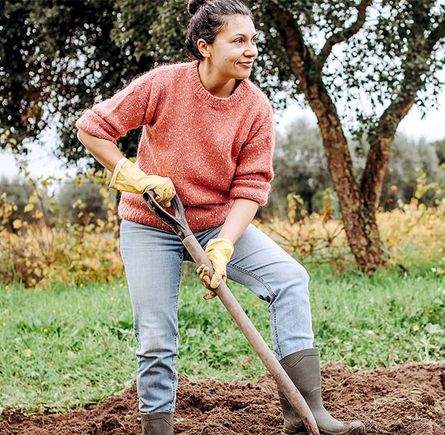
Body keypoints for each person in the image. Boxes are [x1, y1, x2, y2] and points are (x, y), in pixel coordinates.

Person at [75, 1, 365, 434]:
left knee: (289, 279)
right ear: (205, 46)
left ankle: (306, 414)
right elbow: (92, 128)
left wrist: (224, 245)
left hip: (214, 221)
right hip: (151, 223)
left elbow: (251, 188)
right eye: (238, 41)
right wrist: (134, 176)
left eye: (254, 41)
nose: (251, 50)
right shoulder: (164, 85)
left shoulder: (255, 109)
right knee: (156, 336)